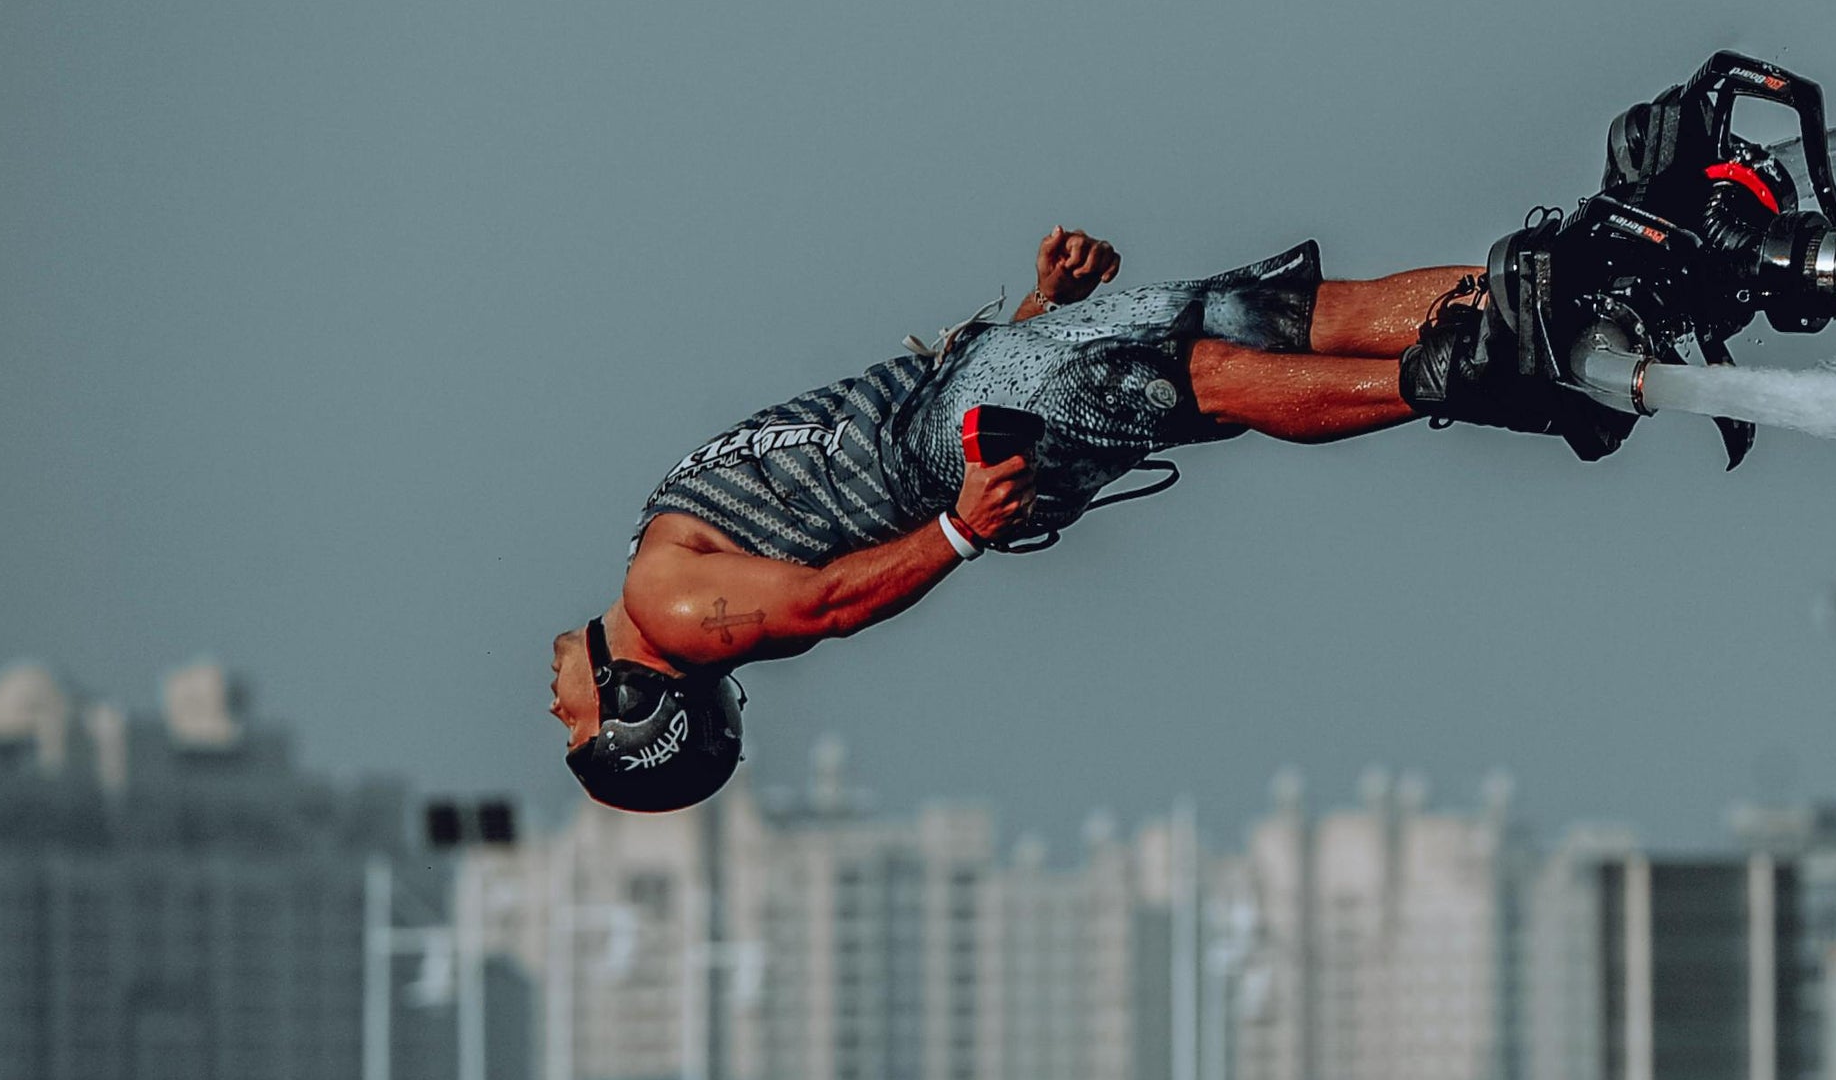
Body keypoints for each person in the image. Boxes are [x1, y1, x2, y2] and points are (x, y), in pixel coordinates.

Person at [550, 226, 1602, 811]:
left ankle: (1570, 289)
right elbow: (827, 604)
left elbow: (856, 452)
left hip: (972, 387)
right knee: (1212, 377)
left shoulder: (668, 561)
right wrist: (962, 526)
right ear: (636, 704)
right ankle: (1463, 376)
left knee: (1286, 316)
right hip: (964, 446)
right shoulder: (672, 605)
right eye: (581, 730)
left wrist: (1038, 314)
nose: (558, 711)